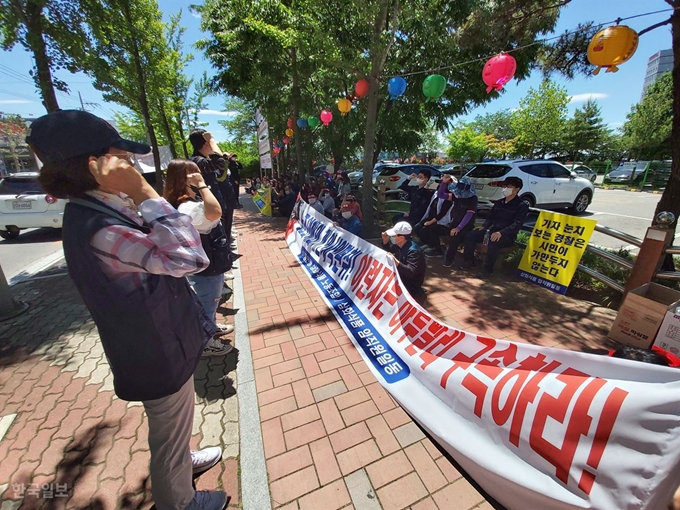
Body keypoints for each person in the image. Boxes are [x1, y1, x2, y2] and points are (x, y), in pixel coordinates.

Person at [28, 110, 228, 510]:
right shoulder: (100, 226)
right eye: (124, 157)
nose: (134, 165)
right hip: (155, 350)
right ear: (95, 165)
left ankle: (182, 461)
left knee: (176, 425)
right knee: (168, 434)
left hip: (162, 340)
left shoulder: (99, 209)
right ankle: (181, 501)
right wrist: (143, 191)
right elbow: (188, 257)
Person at [163, 159, 235, 355]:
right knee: (207, 303)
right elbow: (215, 212)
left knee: (211, 301)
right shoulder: (186, 206)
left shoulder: (186, 202)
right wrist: (202, 185)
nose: (200, 176)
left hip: (208, 264)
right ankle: (206, 342)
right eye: (195, 174)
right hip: (206, 269)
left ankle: (210, 327)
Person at [460, 176, 529, 276]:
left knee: (494, 242)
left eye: (509, 186)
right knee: (470, 235)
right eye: (504, 186)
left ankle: (487, 269)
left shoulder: (521, 205)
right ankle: (469, 261)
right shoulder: (499, 202)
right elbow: (490, 217)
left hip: (506, 236)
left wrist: (501, 233)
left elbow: (517, 224)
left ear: (517, 189)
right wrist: (484, 226)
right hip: (492, 231)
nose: (505, 189)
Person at [189, 130, 237, 247]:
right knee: (218, 242)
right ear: (206, 144)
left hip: (222, 204)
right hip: (211, 210)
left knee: (224, 237)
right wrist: (211, 140)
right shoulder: (196, 161)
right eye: (210, 142)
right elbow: (220, 162)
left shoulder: (205, 160)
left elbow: (221, 165)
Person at [381, 221, 427, 296]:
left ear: (402, 237)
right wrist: (385, 242)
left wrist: (396, 262)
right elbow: (389, 251)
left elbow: (411, 272)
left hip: (411, 284)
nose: (392, 237)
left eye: (394, 236)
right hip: (402, 276)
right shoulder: (398, 245)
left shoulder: (414, 252)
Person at [442, 178, 478, 267]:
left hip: (465, 227)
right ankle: (436, 249)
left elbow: (469, 214)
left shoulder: (473, 199)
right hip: (453, 223)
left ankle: (449, 259)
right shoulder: (456, 195)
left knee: (455, 237)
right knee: (434, 228)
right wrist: (443, 183)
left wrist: (458, 228)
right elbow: (441, 194)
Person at [414, 174, 455, 252]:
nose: (440, 185)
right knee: (417, 227)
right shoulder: (436, 193)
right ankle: (428, 243)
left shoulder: (450, 196)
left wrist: (430, 222)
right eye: (440, 183)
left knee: (428, 229)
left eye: (442, 183)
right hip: (432, 217)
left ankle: (436, 249)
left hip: (441, 220)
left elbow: (442, 213)